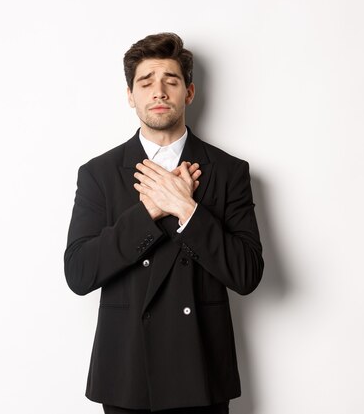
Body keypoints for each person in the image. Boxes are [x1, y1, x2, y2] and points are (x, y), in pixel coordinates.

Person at [64, 32, 264, 414]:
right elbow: (79, 274)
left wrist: (188, 211)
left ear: (189, 93)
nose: (159, 92)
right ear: (130, 96)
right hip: (127, 376)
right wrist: (148, 212)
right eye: (146, 82)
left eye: (170, 81)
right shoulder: (99, 173)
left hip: (201, 373)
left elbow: (247, 274)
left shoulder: (228, 171)